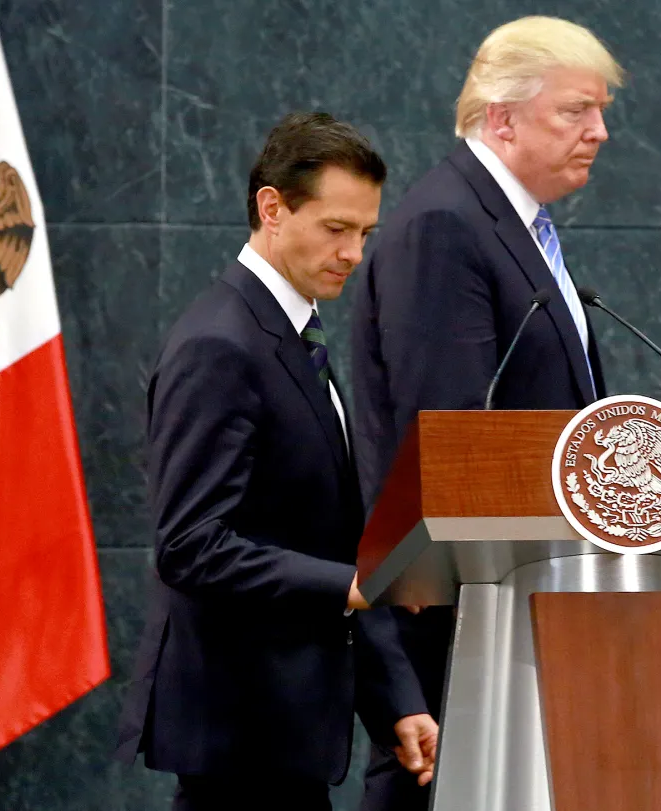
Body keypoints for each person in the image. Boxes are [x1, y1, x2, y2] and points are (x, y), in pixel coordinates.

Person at [115, 112, 438, 811]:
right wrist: (354, 584)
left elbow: (329, 536)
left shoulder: (295, 334)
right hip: (238, 734)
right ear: (272, 208)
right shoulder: (220, 343)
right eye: (336, 228)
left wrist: (397, 700)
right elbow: (191, 545)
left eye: (365, 233)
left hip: (287, 736)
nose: (354, 253)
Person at [349, 16, 625, 811]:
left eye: (600, 111)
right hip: (459, 607)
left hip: (522, 595)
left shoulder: (517, 226)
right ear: (502, 118)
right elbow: (449, 434)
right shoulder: (448, 224)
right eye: (575, 110)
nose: (599, 131)